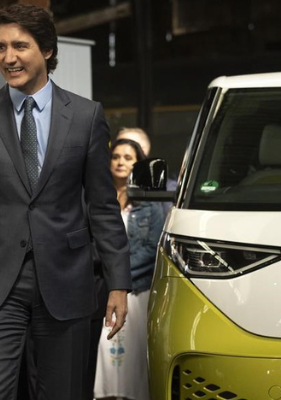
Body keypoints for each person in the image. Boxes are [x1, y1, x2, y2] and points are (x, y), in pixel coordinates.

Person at [0, 4, 131, 400]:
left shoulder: (87, 116)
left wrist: (118, 283)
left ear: (48, 50)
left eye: (20, 46)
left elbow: (103, 206)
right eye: (0, 47)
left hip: (67, 281)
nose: (8, 57)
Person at [94, 139, 164, 400]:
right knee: (103, 357)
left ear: (138, 164)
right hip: (101, 289)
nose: (121, 162)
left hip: (136, 290)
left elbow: (151, 247)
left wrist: (117, 275)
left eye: (128, 157)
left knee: (133, 363)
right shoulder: (97, 196)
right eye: (116, 156)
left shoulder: (148, 201)